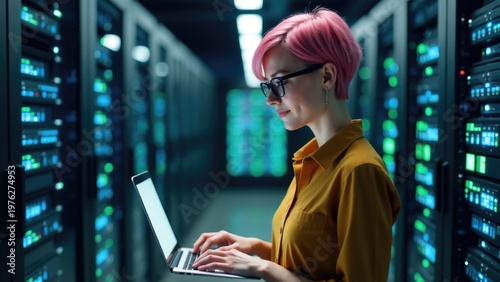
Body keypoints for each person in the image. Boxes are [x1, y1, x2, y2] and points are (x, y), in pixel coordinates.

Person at [192, 7, 401, 282]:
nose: (270, 99)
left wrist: (263, 268)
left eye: (279, 82)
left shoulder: (359, 170)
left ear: (327, 76)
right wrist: (256, 249)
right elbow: (310, 263)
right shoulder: (312, 160)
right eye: (267, 86)